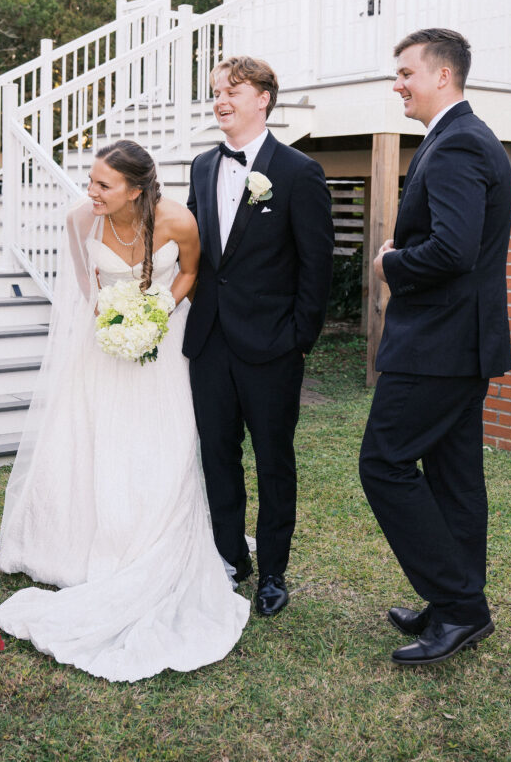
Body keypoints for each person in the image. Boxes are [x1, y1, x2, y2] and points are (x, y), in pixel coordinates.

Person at [0, 139, 249, 682]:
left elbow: (188, 274)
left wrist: (155, 311)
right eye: (90, 181)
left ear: (136, 189)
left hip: (161, 347)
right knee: (94, 438)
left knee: (164, 441)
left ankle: (152, 532)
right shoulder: (78, 220)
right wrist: (111, 322)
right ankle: (82, 541)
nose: (91, 192)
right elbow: (86, 286)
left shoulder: (179, 220)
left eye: (103, 185)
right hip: (102, 347)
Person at [359, 28, 511, 666]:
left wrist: (391, 263)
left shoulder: (456, 146)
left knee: (384, 464)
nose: (397, 83)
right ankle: (456, 601)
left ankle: (461, 606)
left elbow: (452, 249)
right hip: (458, 343)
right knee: (454, 479)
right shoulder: (465, 137)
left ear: (441, 76)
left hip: (438, 347)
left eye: (405, 73)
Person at [183, 56, 334, 617]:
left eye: (233, 91)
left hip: (273, 345)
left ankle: (272, 570)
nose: (220, 100)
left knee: (274, 460)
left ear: (264, 98)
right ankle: (230, 558)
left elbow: (317, 264)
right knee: (216, 455)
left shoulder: (297, 171)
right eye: (216, 91)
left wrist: (299, 338)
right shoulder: (202, 166)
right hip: (210, 343)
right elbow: (199, 254)